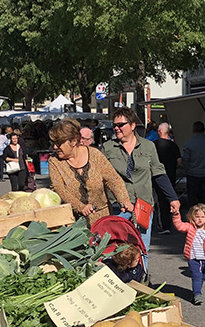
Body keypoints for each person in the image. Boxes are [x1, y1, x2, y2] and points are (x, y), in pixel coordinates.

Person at [101, 107, 176, 255]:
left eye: (120, 125)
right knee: (117, 251)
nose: (116, 128)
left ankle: (142, 277)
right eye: (114, 125)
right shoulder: (108, 148)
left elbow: (158, 172)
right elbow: (101, 178)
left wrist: (172, 198)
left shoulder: (149, 146)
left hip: (143, 206)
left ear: (133, 125)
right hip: (119, 207)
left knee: (142, 248)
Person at [46, 119, 132, 221]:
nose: (55, 147)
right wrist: (80, 207)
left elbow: (113, 180)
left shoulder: (95, 155)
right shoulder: (54, 161)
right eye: (53, 143)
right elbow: (59, 188)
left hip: (101, 218)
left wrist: (123, 200)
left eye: (59, 143)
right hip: (72, 221)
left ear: (73, 141)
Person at [170, 200, 205, 306]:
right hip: (193, 257)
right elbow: (179, 226)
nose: (199, 219)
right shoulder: (190, 227)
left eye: (202, 217)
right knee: (196, 275)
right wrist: (176, 215)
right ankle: (197, 294)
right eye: (197, 216)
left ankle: (197, 290)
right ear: (193, 217)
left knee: (202, 276)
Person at [181, 120, 205, 208]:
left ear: (193, 130)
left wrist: (188, 170)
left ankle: (192, 219)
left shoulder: (189, 144)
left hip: (192, 175)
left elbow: (186, 160)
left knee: (192, 200)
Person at [152, 121, 180, 234]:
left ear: (159, 132)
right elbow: (179, 161)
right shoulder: (173, 145)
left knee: (160, 201)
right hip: (171, 176)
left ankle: (163, 225)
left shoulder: (153, 145)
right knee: (170, 200)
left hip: (156, 176)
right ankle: (171, 222)